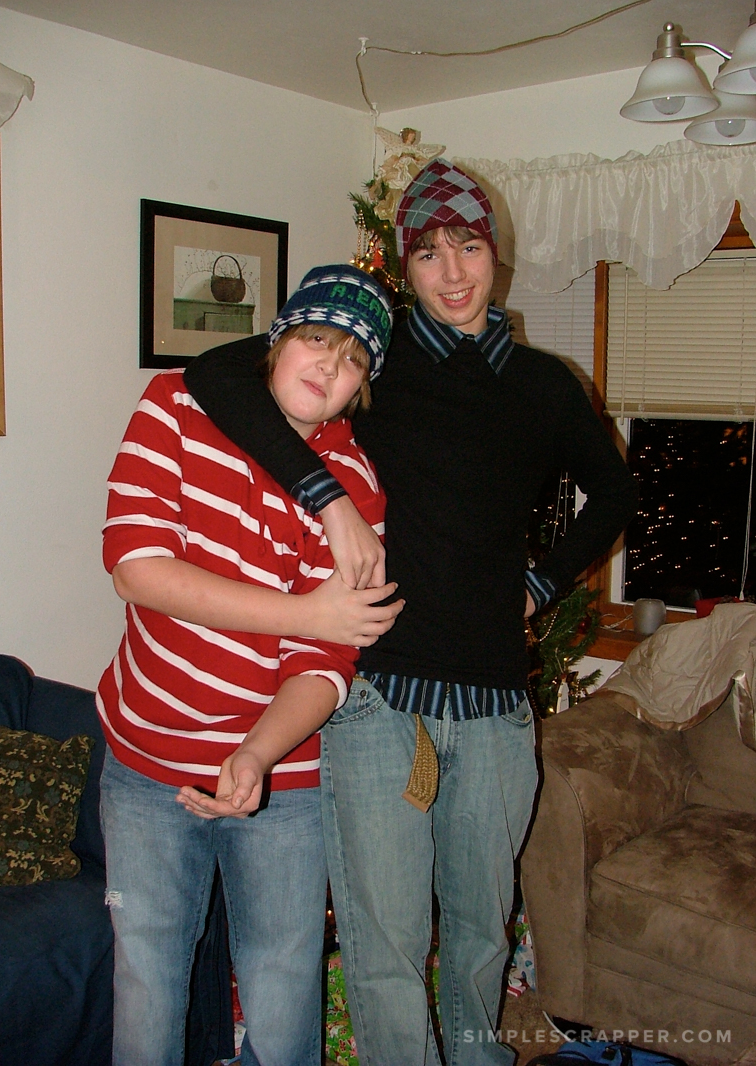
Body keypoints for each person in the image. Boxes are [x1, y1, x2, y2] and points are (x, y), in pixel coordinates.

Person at [183, 159, 639, 1066]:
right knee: (384, 945)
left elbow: (615, 495)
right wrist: (328, 499)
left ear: (495, 253)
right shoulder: (377, 366)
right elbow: (218, 368)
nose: (452, 272)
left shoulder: (543, 385)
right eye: (428, 254)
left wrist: (540, 586)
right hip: (380, 701)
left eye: (468, 247)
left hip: (496, 707)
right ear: (405, 267)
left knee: (478, 935)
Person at [97, 264, 401, 1066]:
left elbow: (326, 662)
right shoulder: (174, 406)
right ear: (276, 341)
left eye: (354, 360)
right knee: (146, 980)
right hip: (146, 757)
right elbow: (137, 568)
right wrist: (308, 613)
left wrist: (257, 754)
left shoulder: (358, 489)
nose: (329, 367)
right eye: (316, 340)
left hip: (284, 775)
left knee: (282, 985)